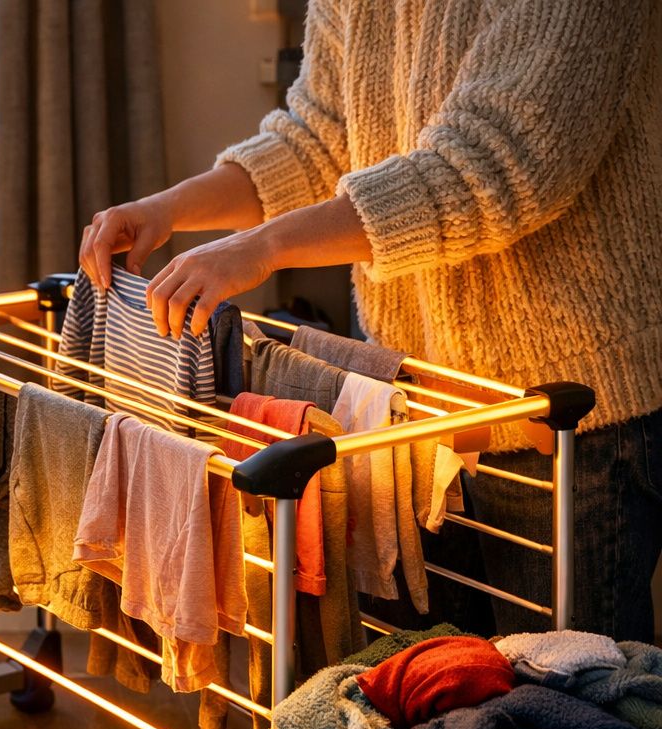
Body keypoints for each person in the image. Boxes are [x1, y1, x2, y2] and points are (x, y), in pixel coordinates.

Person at [78, 0, 662, 642]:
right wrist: (166, 209)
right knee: (417, 699)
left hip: (562, 407)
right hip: (411, 404)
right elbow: (317, 139)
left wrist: (261, 247)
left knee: (567, 706)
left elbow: (498, 161)